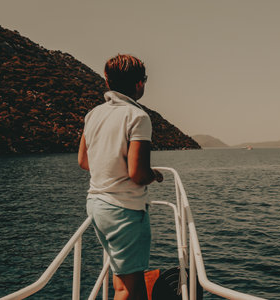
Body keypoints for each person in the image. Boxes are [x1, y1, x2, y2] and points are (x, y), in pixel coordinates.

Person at [78, 54, 163, 300]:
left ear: (107, 80)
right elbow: (138, 174)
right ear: (139, 84)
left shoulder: (92, 114)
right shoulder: (138, 117)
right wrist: (154, 175)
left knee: (121, 281)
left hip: (97, 206)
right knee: (131, 290)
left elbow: (84, 162)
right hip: (124, 211)